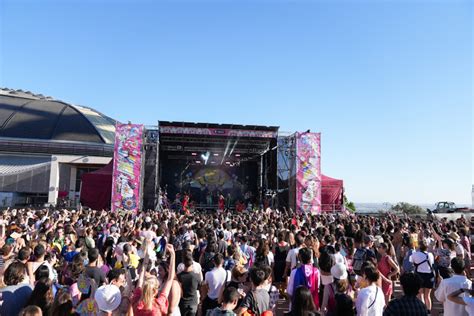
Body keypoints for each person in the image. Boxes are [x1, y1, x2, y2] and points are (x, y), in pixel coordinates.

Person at [409, 240, 435, 313]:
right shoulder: (430, 254)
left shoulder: (415, 254)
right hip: (429, 275)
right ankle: (428, 311)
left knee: (420, 294)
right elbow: (432, 263)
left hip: (420, 275)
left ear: (419, 246)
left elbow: (411, 261)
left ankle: (422, 310)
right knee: (427, 295)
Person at [178, 252, 202, 316]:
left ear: (183, 263)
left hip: (183, 304)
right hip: (193, 303)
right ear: (192, 263)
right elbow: (200, 288)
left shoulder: (179, 276)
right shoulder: (197, 276)